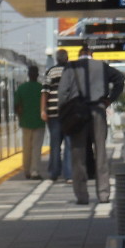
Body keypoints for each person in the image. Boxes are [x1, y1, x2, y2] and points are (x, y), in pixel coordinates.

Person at [57, 44, 125, 204]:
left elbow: (62, 93)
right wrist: (109, 99)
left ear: (79, 54)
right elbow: (120, 78)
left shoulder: (70, 67)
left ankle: (82, 195)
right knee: (101, 152)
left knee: (78, 155)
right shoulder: (101, 66)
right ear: (91, 54)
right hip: (98, 111)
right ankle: (103, 194)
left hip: (77, 114)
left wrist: (65, 111)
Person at [40, 49, 72, 183]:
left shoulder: (51, 72)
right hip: (69, 114)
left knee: (55, 144)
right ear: (67, 58)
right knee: (69, 145)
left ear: (57, 59)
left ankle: (54, 173)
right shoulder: (72, 72)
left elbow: (45, 92)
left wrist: (43, 110)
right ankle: (69, 174)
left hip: (53, 114)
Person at [14, 65, 44, 180]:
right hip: (39, 122)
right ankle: (34, 171)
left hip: (25, 123)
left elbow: (16, 105)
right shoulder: (41, 88)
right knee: (36, 148)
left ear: (28, 75)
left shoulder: (22, 88)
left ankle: (26, 170)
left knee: (26, 148)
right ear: (37, 75)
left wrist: (21, 116)